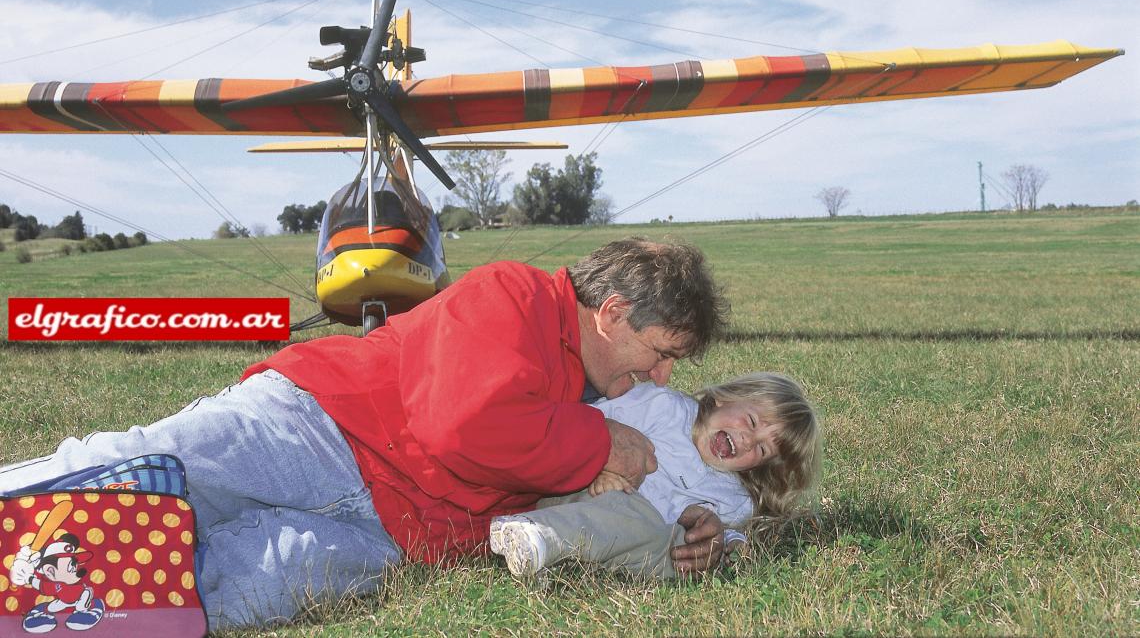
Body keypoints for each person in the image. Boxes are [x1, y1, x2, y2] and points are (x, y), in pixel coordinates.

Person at [0, 237, 729, 630]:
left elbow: (655, 489)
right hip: (320, 426)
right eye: (661, 349)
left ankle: (51, 612)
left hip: (391, 533)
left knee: (217, 594)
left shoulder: (610, 394)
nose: (663, 375)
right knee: (141, 471)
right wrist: (601, 446)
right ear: (611, 313)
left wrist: (699, 526)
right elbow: (466, 424)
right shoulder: (512, 294)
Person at [488, 372, 821, 579]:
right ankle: (544, 536)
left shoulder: (734, 497)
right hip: (581, 491)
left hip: (637, 535)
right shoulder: (664, 407)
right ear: (723, 400)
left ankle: (540, 547)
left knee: (679, 549)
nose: (748, 440)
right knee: (632, 514)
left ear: (759, 468)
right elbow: (587, 422)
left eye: (762, 450)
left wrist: (720, 542)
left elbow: (726, 536)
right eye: (750, 421)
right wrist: (599, 462)